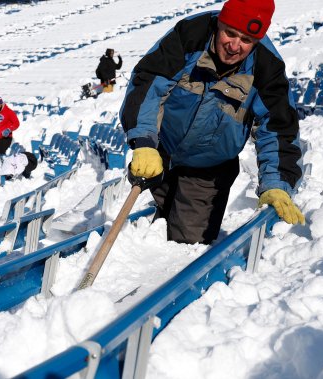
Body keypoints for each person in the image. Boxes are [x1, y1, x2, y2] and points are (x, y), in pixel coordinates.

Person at [120, 0, 304, 245]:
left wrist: (275, 184)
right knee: (141, 234)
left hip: (208, 170)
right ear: (220, 24)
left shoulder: (266, 68)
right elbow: (149, 85)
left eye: (247, 40)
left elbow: (278, 129)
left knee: (186, 247)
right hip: (160, 154)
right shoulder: (189, 36)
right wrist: (143, 141)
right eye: (230, 33)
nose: (234, 46)